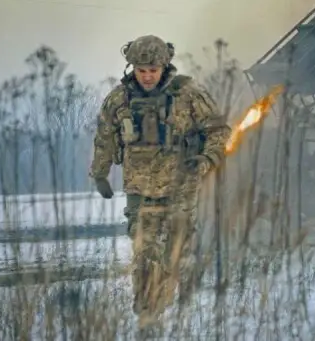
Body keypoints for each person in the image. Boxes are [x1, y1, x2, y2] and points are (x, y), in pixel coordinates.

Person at [89, 34, 231, 322]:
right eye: (141, 71)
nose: (147, 76)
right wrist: (100, 173)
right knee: (144, 252)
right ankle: (147, 311)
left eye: (153, 70)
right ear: (133, 68)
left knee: (173, 253)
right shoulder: (119, 99)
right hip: (140, 190)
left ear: (164, 66)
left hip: (181, 187)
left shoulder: (188, 94)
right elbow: (105, 137)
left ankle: (161, 301)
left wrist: (206, 160)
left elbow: (218, 131)